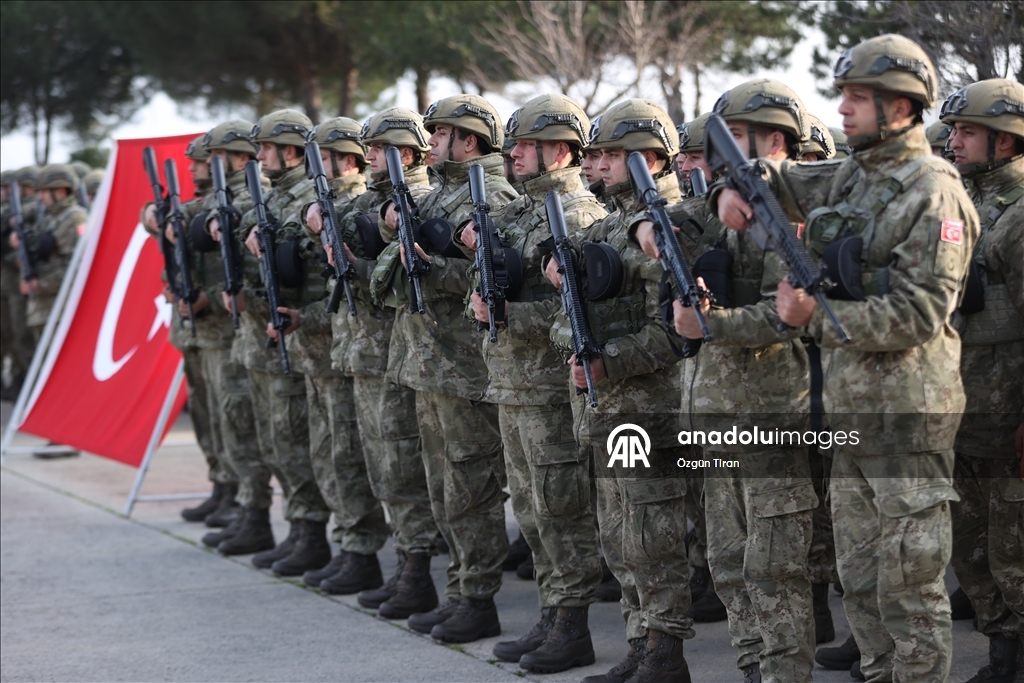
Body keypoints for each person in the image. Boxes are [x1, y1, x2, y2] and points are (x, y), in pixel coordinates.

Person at [713, 34, 980, 683]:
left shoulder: (934, 191)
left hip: (908, 416)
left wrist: (813, 316)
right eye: (845, 96)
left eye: (860, 97)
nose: (844, 109)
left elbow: (922, 312)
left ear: (902, 106)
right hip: (851, 410)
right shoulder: (854, 174)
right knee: (859, 578)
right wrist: (729, 188)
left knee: (910, 588)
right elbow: (780, 177)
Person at [662, 78, 820, 683]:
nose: (718, 151)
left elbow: (788, 316)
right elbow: (666, 219)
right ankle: (753, 666)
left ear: (774, 140)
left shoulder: (794, 218)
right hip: (719, 412)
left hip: (770, 416)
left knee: (775, 568)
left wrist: (710, 323)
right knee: (728, 560)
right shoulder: (734, 212)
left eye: (735, 138)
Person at [459, 94, 606, 673]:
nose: (513, 153)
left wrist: (505, 316)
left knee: (560, 507)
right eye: (514, 143)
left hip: (551, 391)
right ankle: (551, 611)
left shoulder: (580, 215)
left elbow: (579, 314)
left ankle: (572, 623)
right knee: (531, 509)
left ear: (561, 150)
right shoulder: (521, 213)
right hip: (513, 385)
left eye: (527, 144)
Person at [550, 98, 693, 683]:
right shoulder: (612, 221)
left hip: (649, 407)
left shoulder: (669, 224)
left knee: (653, 536)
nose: (598, 164)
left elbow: (677, 331)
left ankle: (665, 652)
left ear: (650, 158)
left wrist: (608, 363)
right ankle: (639, 642)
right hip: (608, 409)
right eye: (598, 154)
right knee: (619, 535)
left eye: (612, 154)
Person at [369, 94, 518, 644]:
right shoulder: (441, 192)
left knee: (471, 487)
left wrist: (434, 269)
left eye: (439, 135)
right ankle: (459, 589)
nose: (428, 143)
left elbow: (497, 278)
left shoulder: (493, 197)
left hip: (465, 368)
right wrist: (392, 226)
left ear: (468, 140)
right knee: (444, 488)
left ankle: (477, 597)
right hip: (431, 364)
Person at [307, 107, 439, 618]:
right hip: (369, 352)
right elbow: (336, 220)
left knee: (402, 468)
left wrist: (361, 259)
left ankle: (416, 570)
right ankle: (402, 565)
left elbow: (390, 274)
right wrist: (313, 220)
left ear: (405, 153)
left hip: (393, 353)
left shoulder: (417, 202)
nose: (371, 158)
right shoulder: (374, 201)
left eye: (380, 150)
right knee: (380, 466)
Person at [274, 116, 390, 595]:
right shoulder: (329, 205)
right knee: (330, 454)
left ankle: (360, 550)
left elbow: (359, 283)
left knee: (353, 457)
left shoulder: (364, 207)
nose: (312, 166)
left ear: (345, 160)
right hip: (340, 351)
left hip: (363, 351)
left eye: (321, 156)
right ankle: (348, 547)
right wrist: (306, 219)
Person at [941, 77, 1024, 683]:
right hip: (958, 406)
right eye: (953, 131)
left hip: (1008, 413)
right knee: (968, 544)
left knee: (1012, 548)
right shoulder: (958, 207)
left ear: (1007, 139)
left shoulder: (1019, 217)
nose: (954, 142)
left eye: (967, 132)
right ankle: (1002, 650)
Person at [231, 109, 334, 577]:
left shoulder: (310, 196)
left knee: (296, 443)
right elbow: (245, 225)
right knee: (278, 443)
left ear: (291, 150)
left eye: (267, 148)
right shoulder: (274, 195)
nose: (259, 157)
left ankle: (311, 533)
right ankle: (298, 529)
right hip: (273, 337)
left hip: (302, 339)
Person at [194, 120, 276, 556]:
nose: (206, 165)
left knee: (248, 426)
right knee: (233, 422)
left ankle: (254, 513)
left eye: (216, 157)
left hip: (248, 329)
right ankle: (247, 509)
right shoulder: (224, 197)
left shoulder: (258, 196)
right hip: (238, 331)